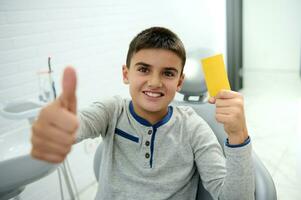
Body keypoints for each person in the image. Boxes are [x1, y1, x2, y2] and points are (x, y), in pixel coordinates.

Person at [31, 27, 255, 200]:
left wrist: (238, 135)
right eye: (144, 69)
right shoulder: (112, 111)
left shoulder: (192, 128)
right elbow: (81, 123)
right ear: (126, 73)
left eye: (167, 73)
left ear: (179, 82)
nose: (155, 82)